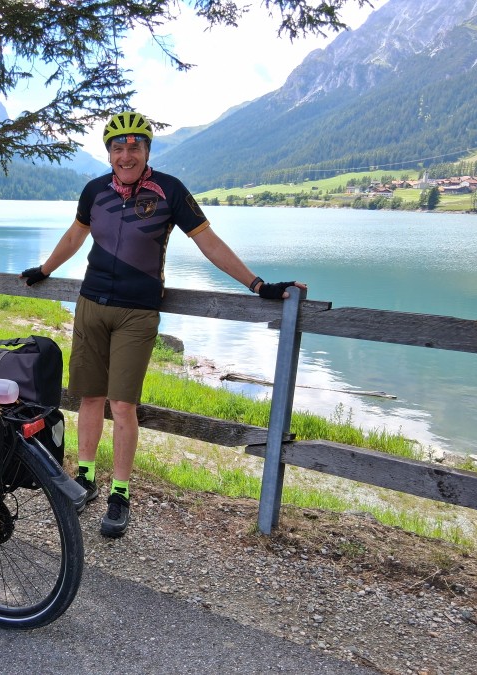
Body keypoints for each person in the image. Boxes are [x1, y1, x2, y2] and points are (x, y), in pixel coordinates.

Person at [21, 111, 306, 538]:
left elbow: (208, 241)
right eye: (118, 146)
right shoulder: (94, 191)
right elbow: (75, 236)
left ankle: (120, 493)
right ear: (110, 153)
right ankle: (84, 478)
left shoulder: (169, 190)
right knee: (90, 398)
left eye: (135, 144)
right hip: (90, 306)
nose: (126, 152)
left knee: (122, 406)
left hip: (137, 313)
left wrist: (257, 284)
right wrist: (45, 269)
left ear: (147, 150)